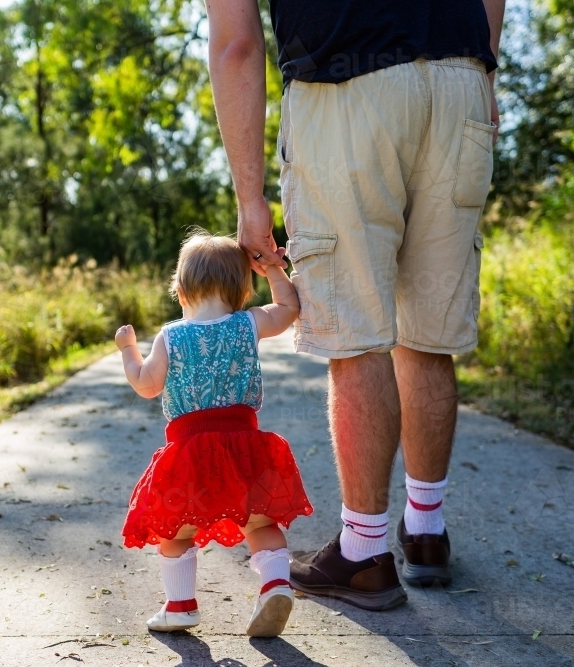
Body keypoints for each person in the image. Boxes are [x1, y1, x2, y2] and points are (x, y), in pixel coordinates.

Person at [204, 0, 506, 611]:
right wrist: (483, 71)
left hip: (343, 86)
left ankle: (364, 553)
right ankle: (425, 533)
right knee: (428, 332)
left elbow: (237, 44)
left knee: (356, 334)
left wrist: (249, 196)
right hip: (460, 83)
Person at [116, 231, 313, 637]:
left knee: (174, 532)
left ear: (181, 289)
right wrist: (274, 267)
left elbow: (146, 384)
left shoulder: (171, 336)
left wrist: (128, 350)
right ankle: (276, 583)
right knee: (259, 524)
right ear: (243, 289)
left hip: (190, 453)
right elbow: (288, 307)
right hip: (245, 447)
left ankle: (181, 605)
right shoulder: (249, 323)